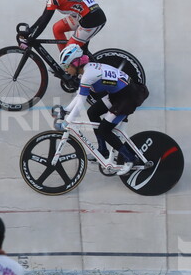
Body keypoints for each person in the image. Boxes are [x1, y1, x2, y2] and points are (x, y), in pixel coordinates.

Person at [59, 44, 148, 176]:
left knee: (104, 130)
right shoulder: (85, 71)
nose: (65, 70)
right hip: (118, 95)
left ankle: (130, 159)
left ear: (76, 63)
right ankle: (102, 150)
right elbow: (79, 96)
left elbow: (82, 102)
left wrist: (68, 120)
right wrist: (66, 110)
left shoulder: (88, 75)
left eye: (67, 66)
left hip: (127, 98)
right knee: (92, 112)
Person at [20, 0, 106, 57]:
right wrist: (30, 31)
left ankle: (70, 63)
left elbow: (45, 22)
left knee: (69, 54)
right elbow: (43, 16)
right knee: (57, 28)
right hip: (83, 15)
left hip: (93, 18)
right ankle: (65, 63)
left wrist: (31, 38)